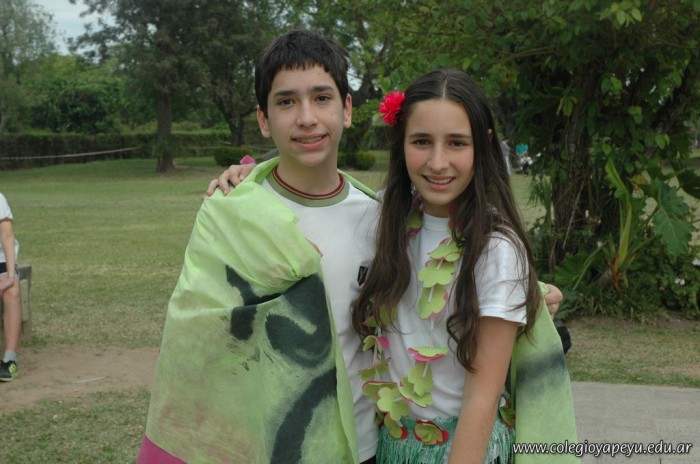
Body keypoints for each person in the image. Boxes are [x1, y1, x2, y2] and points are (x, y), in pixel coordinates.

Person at [139, 29, 380, 464]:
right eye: (286, 102)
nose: (306, 117)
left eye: (322, 98)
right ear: (264, 119)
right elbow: (199, 340)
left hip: (365, 446)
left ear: (346, 109)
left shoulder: (381, 219)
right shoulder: (233, 213)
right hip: (262, 447)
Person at [350, 69, 578, 463]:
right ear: (401, 143)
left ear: (482, 144)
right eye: (422, 141)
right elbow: (323, 192)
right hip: (393, 447)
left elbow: (481, 401)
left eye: (457, 142)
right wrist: (252, 176)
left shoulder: (496, 249)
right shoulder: (385, 219)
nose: (438, 162)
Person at [0, 192, 21, 382]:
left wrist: (10, 276)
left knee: (11, 292)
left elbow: (7, 236)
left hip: (1, 260)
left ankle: (9, 359)